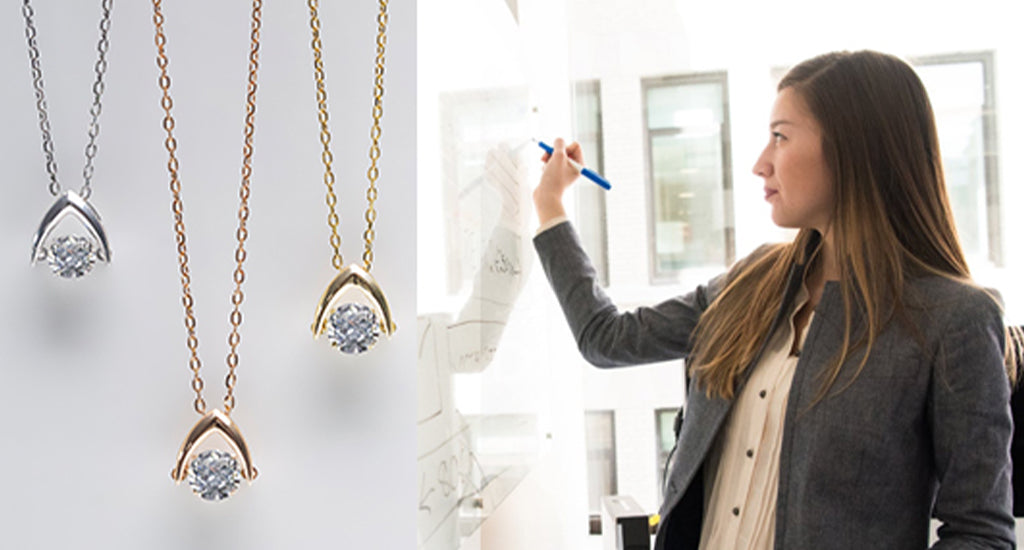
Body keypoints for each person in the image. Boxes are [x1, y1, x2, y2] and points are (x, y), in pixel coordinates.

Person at [532, 50, 1020, 549]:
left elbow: (979, 533)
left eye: (780, 136)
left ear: (854, 150)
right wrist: (550, 207)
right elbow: (605, 337)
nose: (759, 163)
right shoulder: (750, 284)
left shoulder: (953, 320)